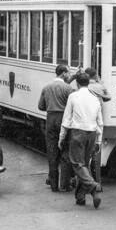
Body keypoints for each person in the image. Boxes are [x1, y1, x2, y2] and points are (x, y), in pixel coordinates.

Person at [59, 72, 103, 208]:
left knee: (77, 164)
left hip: (78, 132)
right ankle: (80, 197)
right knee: (84, 164)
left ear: (77, 83)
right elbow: (100, 122)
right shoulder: (95, 98)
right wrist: (99, 141)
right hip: (92, 133)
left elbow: (66, 119)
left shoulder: (73, 96)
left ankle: (93, 186)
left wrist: (61, 137)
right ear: (88, 83)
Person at [38, 64, 74, 192]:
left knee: (52, 151)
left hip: (50, 120)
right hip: (63, 120)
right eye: (68, 72)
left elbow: (40, 106)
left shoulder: (46, 87)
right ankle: (65, 184)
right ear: (63, 73)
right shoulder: (68, 88)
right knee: (65, 150)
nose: (69, 75)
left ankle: (54, 185)